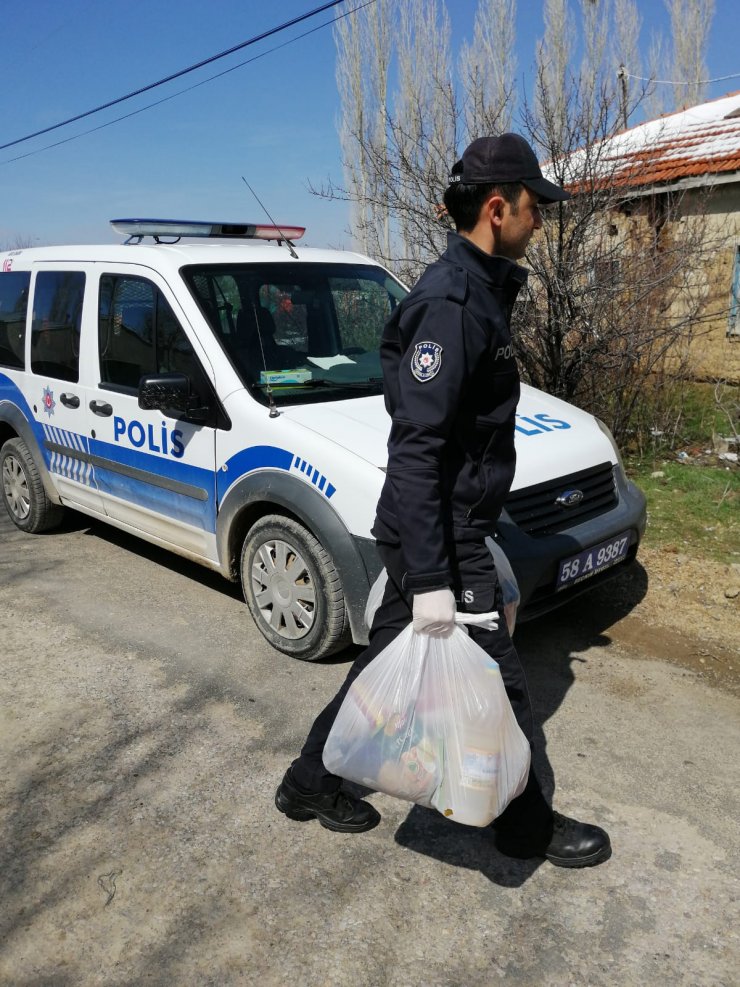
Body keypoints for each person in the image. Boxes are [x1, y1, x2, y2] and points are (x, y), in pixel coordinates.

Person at [275, 133, 611, 868]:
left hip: (443, 526)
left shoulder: (477, 291)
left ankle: (308, 781)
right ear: (498, 208)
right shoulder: (452, 304)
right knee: (500, 676)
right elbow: (418, 449)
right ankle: (527, 828)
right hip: (444, 538)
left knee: (384, 663)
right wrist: (432, 579)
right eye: (534, 208)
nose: (540, 222)